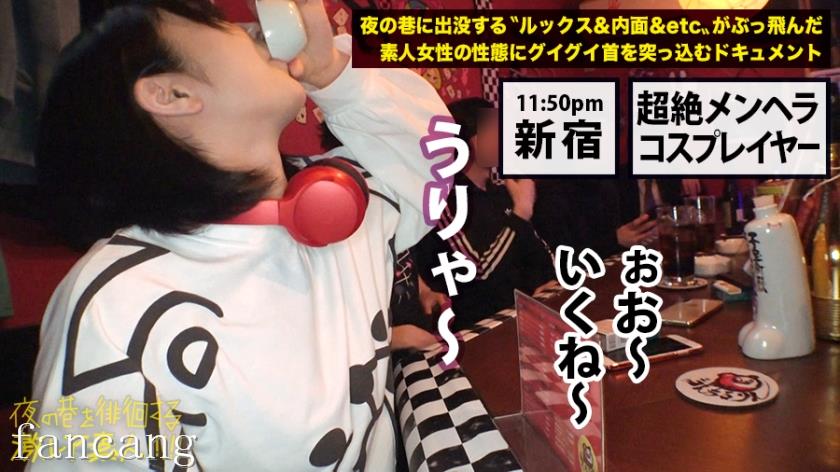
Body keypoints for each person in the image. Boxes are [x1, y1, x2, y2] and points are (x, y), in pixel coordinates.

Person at [29, 1, 449, 470]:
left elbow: (436, 156)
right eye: (220, 24)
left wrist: (333, 72)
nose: (254, 29)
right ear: (171, 94)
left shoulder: (337, 209)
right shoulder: (117, 305)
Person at [412, 98, 557, 331]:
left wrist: (546, 286)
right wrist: (520, 214)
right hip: (477, 329)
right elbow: (478, 272)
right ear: (473, 142)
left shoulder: (502, 192)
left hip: (523, 317)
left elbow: (540, 255)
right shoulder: (445, 200)